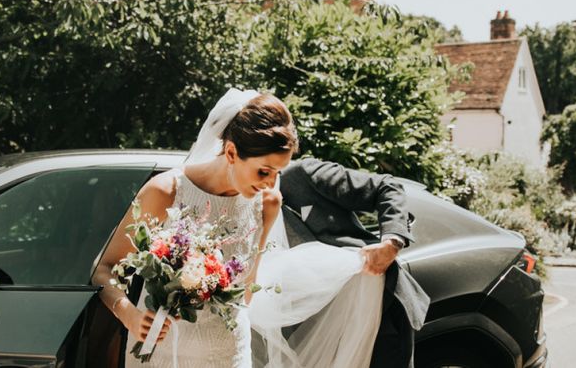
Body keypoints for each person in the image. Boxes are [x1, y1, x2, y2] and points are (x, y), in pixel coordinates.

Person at [92, 89, 297, 367]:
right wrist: (128, 313)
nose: (271, 184)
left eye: (278, 173)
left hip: (228, 354)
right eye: (264, 171)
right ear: (232, 152)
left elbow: (246, 292)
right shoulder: (165, 192)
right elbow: (103, 269)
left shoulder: (268, 203)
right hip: (160, 352)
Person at [279, 158, 431, 368]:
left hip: (376, 306)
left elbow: (387, 187)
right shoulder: (239, 205)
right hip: (308, 331)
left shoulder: (302, 175)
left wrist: (391, 244)